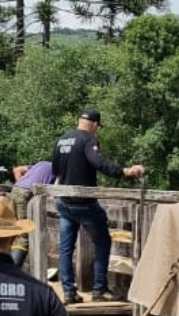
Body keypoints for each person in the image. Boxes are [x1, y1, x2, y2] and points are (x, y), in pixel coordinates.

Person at [52, 108, 145, 305]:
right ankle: (99, 289)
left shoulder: (61, 140)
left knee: (66, 249)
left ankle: (69, 292)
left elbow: (55, 170)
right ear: (94, 125)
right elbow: (97, 161)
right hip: (84, 204)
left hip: (64, 202)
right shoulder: (88, 139)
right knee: (103, 242)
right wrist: (124, 171)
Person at [8, 161, 54, 268]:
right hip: (24, 194)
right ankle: (13, 269)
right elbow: (53, 196)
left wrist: (22, 185)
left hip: (15, 190)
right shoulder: (59, 171)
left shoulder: (41, 164)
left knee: (15, 230)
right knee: (25, 234)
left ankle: (5, 265)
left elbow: (17, 170)